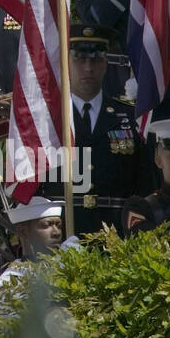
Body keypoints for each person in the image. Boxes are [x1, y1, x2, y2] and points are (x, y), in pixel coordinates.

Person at [62, 25, 147, 234]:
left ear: (106, 64)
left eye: (95, 60)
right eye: (80, 59)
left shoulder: (129, 116)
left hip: (116, 232)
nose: (88, 68)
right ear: (66, 63)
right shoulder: (51, 119)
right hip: (64, 231)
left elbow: (144, 180)